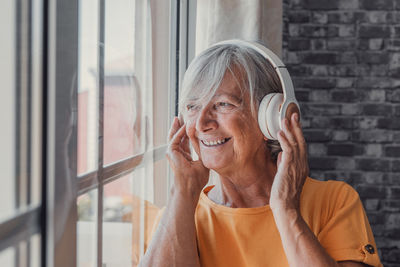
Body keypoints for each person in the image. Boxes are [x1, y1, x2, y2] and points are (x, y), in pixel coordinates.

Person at [139, 40, 383, 267]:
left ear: (272, 117)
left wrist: (286, 210)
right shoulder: (179, 214)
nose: (202, 123)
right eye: (192, 107)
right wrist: (183, 190)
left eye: (223, 104)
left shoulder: (335, 202)